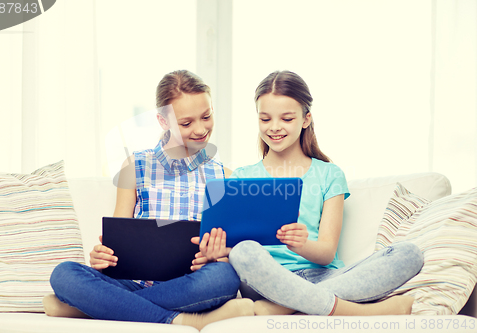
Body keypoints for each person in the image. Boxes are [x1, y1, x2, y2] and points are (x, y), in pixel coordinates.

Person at [43, 70, 253, 329]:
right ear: (163, 121)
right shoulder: (135, 165)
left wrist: (216, 256)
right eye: (186, 123)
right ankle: (176, 319)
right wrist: (103, 255)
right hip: (134, 280)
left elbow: (226, 247)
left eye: (207, 117)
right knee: (63, 274)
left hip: (191, 283)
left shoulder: (225, 176)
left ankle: (99, 307)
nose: (200, 129)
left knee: (224, 277)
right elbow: (118, 237)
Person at [226, 70, 424, 316]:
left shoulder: (329, 174)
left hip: (325, 277)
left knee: (409, 254)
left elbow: (326, 253)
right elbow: (234, 249)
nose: (274, 127)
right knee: (243, 251)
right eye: (265, 119)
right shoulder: (241, 178)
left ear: (306, 119)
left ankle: (284, 308)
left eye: (287, 119)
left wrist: (301, 245)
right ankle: (357, 311)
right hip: (268, 282)